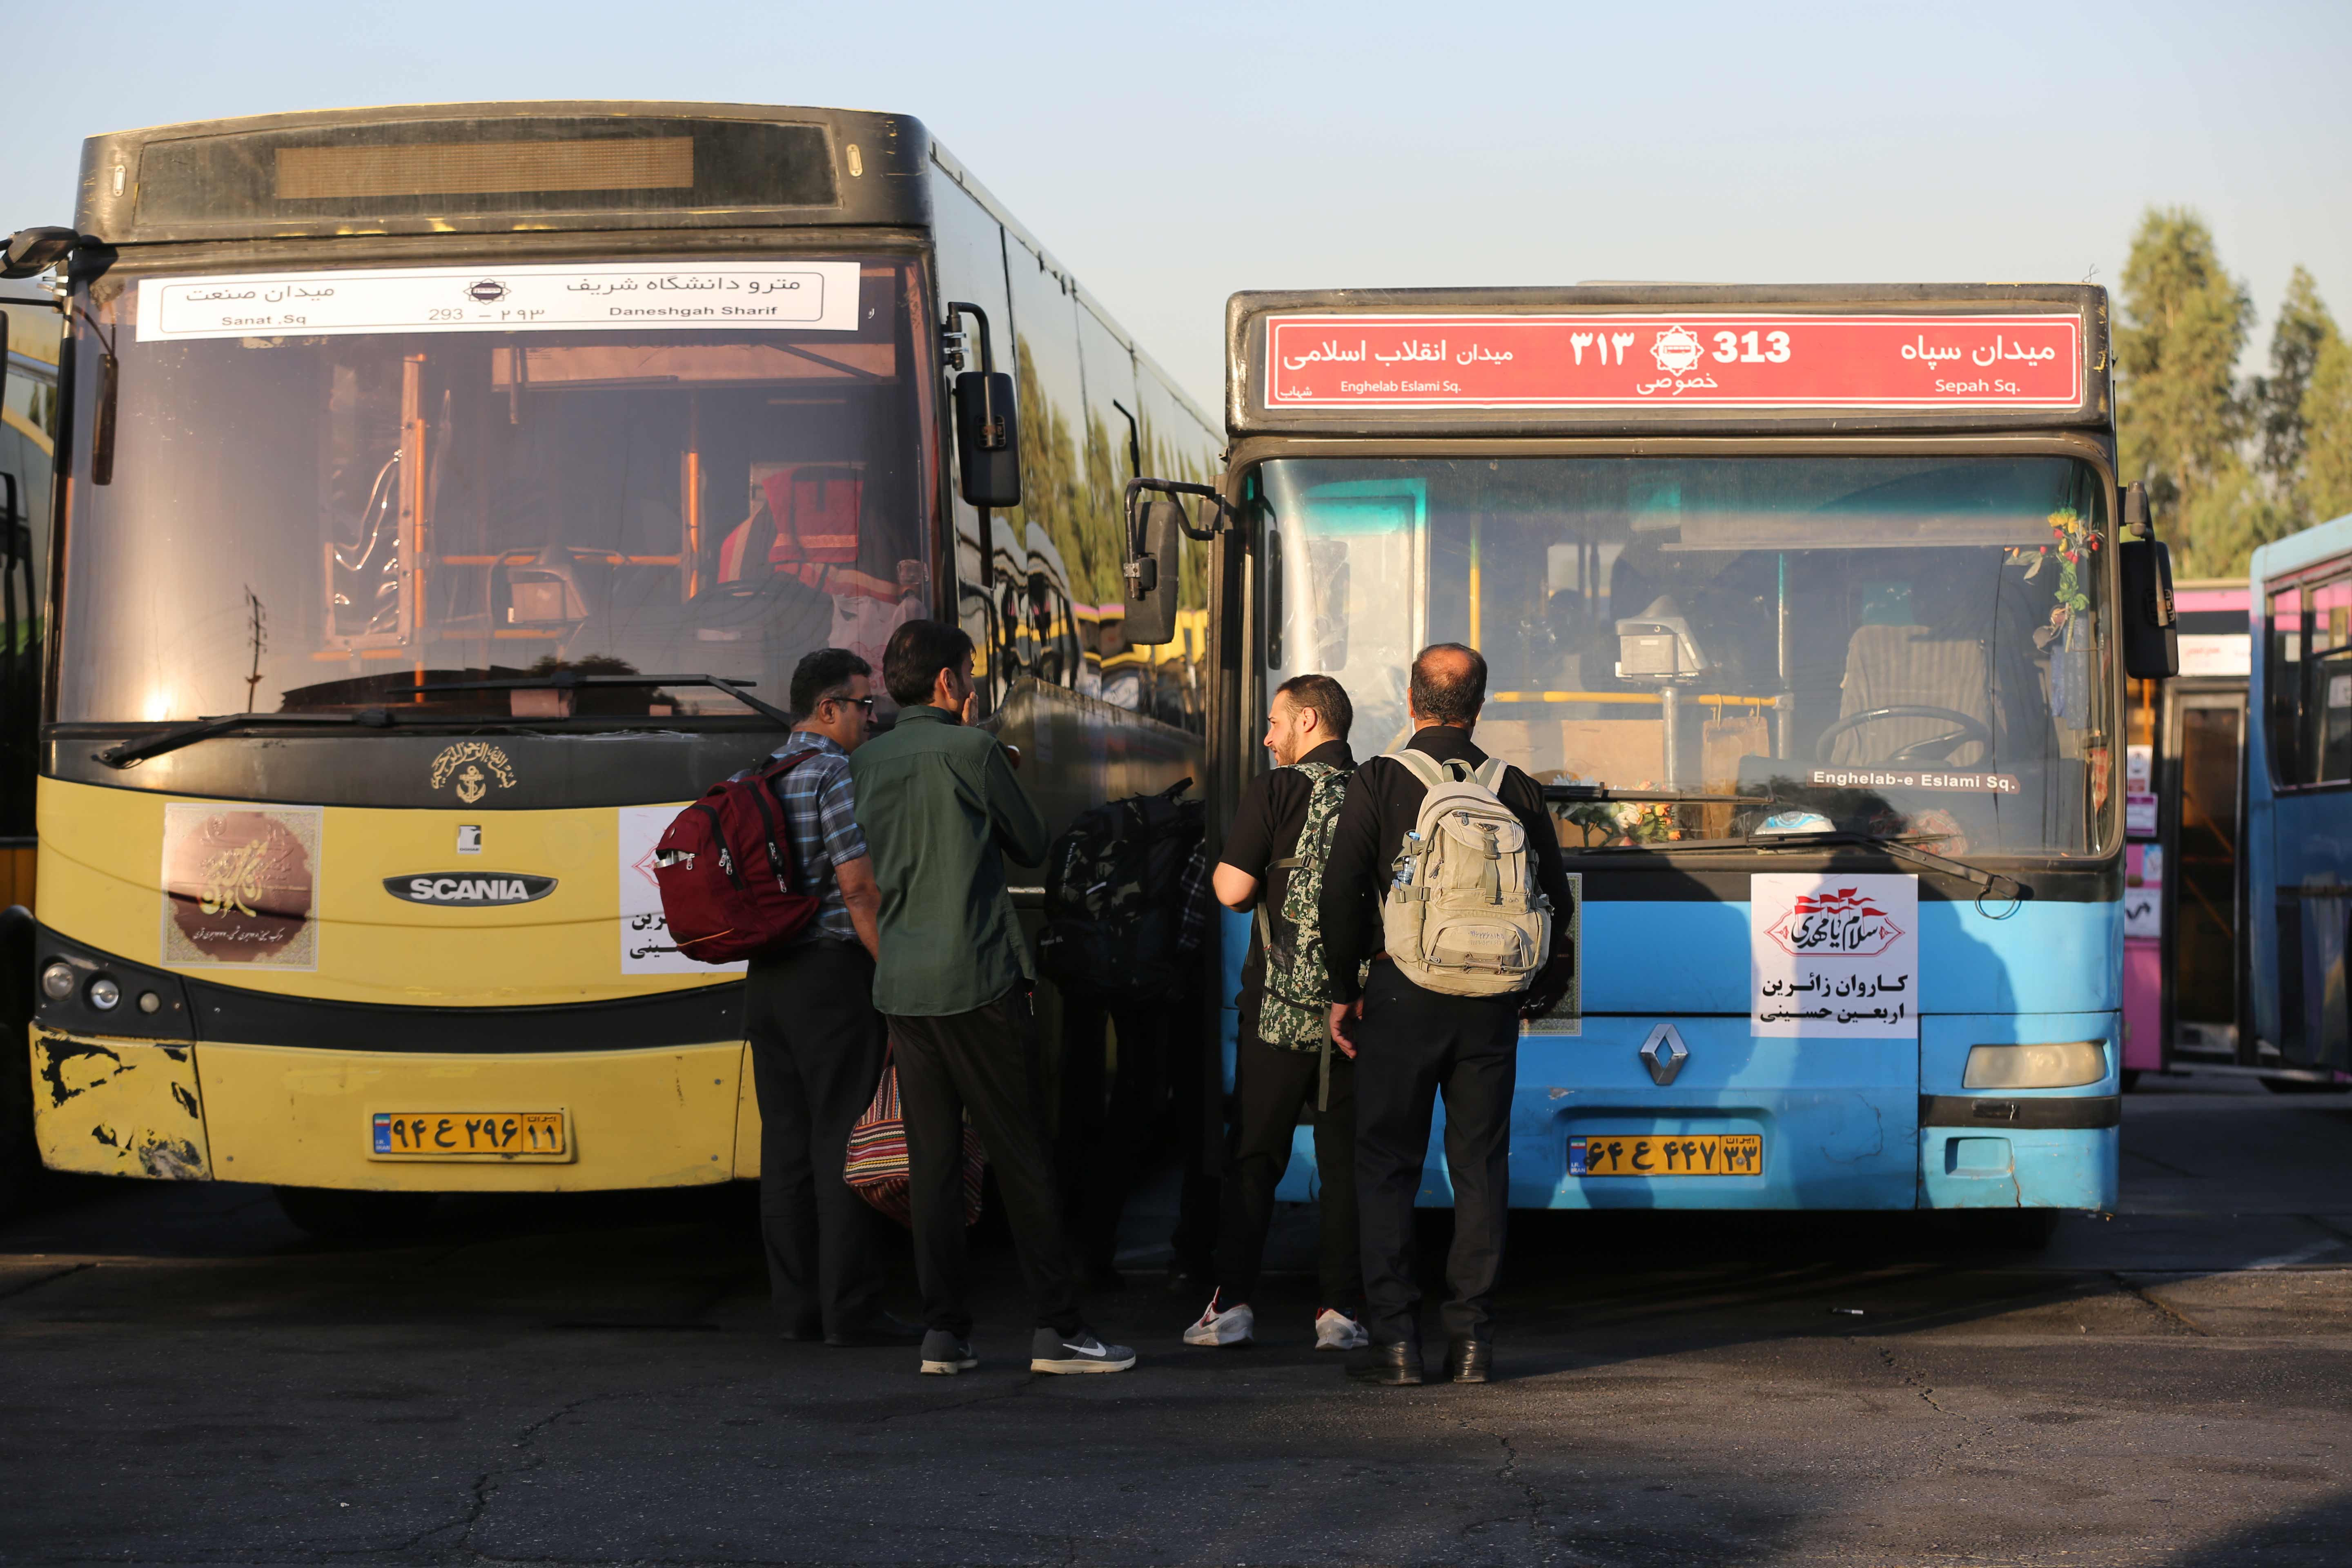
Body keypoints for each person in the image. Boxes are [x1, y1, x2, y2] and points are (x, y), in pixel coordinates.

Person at [849, 619, 1137, 1376]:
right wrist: (994, 756)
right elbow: (1030, 841)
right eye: (969, 672)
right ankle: (1059, 1330)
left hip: (905, 986)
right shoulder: (973, 750)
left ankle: (943, 1334)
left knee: (934, 1166)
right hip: (978, 977)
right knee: (1022, 1158)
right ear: (949, 683)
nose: (973, 684)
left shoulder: (867, 759)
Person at [1319, 644, 1575, 1386]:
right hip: (1491, 1004)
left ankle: (1396, 1346)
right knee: (1479, 1169)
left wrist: (1345, 987)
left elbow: (1340, 895)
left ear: (1410, 700)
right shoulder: (1516, 788)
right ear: (1480, 705)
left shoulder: (1377, 780)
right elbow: (1556, 905)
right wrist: (1530, 993)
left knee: (1388, 1168)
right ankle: (1473, 1347)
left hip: (1400, 995)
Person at [1181, 673, 1370, 1353]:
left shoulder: (1274, 790)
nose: (1267, 737)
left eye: (1275, 722)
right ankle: (1340, 1314)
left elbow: (1231, 891)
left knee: (1256, 1157)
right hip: (1355, 1015)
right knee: (1345, 1160)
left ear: (1310, 721)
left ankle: (1231, 1307)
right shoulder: (1379, 789)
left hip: (1275, 1012)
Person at [742, 649, 922, 1348]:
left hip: (767, 981)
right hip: (830, 979)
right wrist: (894, 976)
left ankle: (796, 1312)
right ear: (827, 710)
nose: (871, 719)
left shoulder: (755, 775)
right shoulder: (832, 774)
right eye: (862, 705)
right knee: (844, 1143)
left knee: (783, 1148)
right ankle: (852, 1311)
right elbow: (858, 889)